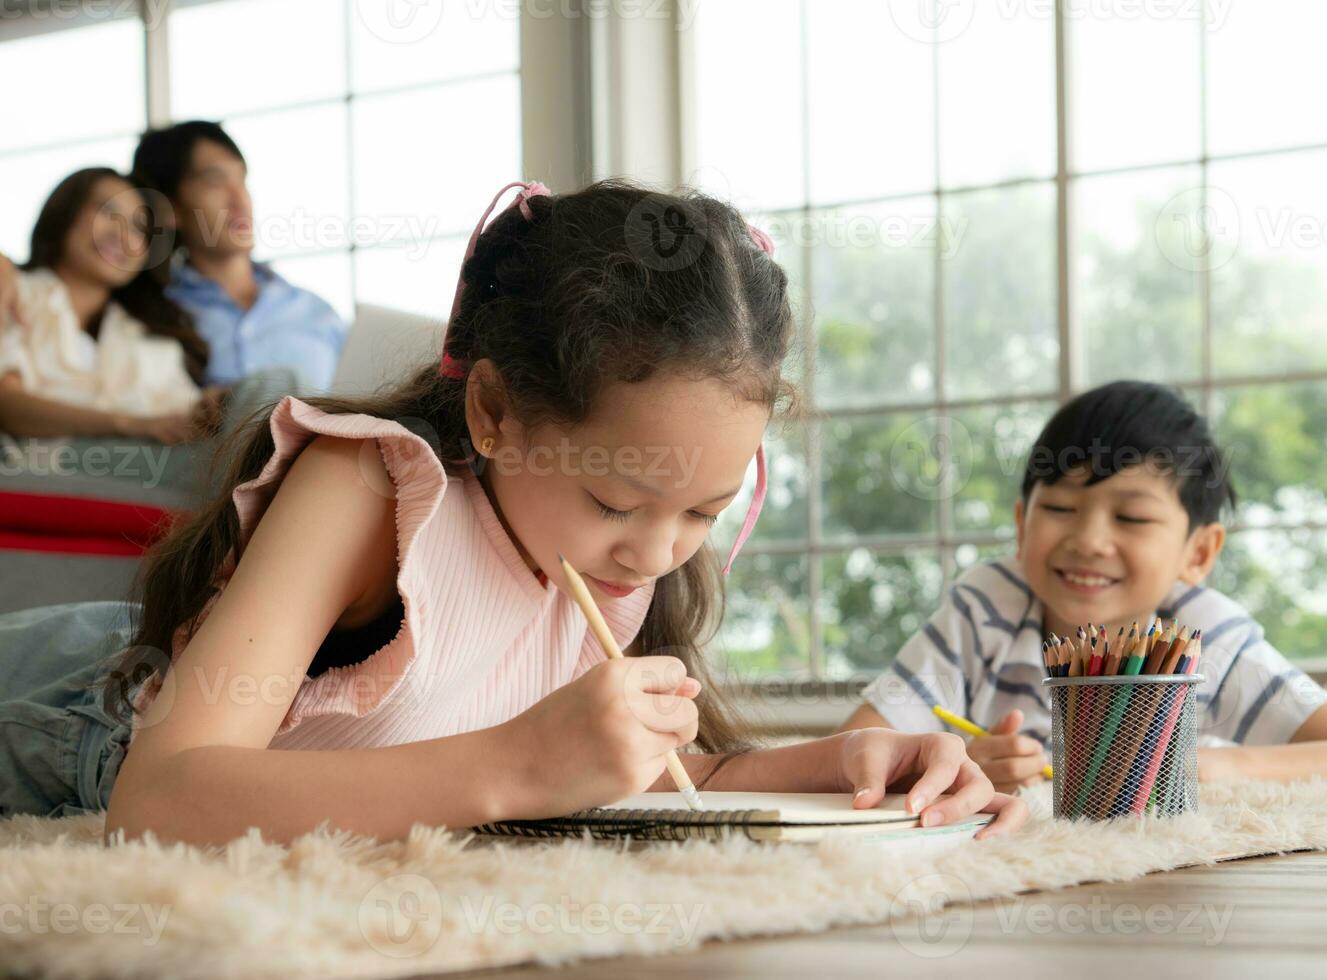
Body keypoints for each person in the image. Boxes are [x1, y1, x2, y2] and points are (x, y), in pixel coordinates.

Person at [0, 180, 1028, 846]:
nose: (660, 550)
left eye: (705, 511)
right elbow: (161, 796)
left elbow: (659, 773)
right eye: (617, 499)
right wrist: (515, 765)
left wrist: (847, 760)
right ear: (494, 410)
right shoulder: (372, 491)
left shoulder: (612, 551)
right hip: (65, 702)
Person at [841, 381, 1327, 791]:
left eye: (1133, 518)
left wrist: (1214, 767)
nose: (1089, 540)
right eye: (1062, 507)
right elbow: (852, 750)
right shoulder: (988, 607)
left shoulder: (1204, 637)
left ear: (1200, 551)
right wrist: (957, 763)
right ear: (1021, 526)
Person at [0, 167, 220, 444]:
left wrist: (214, 405)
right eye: (107, 211)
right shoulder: (12, 291)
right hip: (43, 472)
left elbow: (185, 417)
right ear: (66, 213)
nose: (122, 235)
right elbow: (6, 405)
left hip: (142, 475)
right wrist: (129, 425)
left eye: (139, 228)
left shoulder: (146, 335)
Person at [130, 121, 346, 393]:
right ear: (170, 207)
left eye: (242, 180)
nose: (240, 200)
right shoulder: (152, 319)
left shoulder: (318, 314)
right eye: (215, 182)